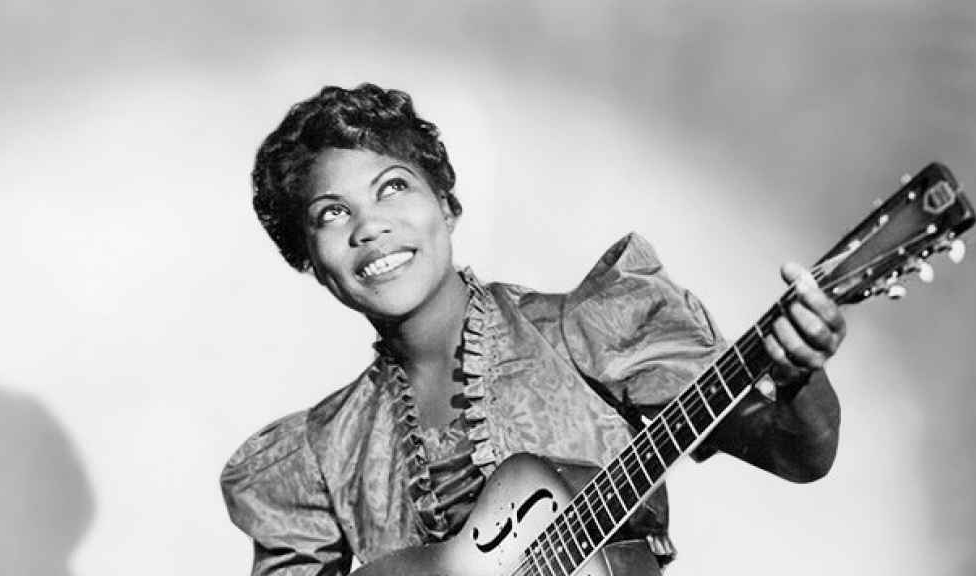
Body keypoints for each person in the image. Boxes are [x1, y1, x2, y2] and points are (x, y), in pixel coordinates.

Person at [220, 84, 844, 576]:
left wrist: (797, 377)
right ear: (308, 258)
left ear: (447, 206)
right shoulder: (320, 453)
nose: (370, 227)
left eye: (394, 188)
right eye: (332, 213)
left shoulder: (587, 327)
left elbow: (798, 454)